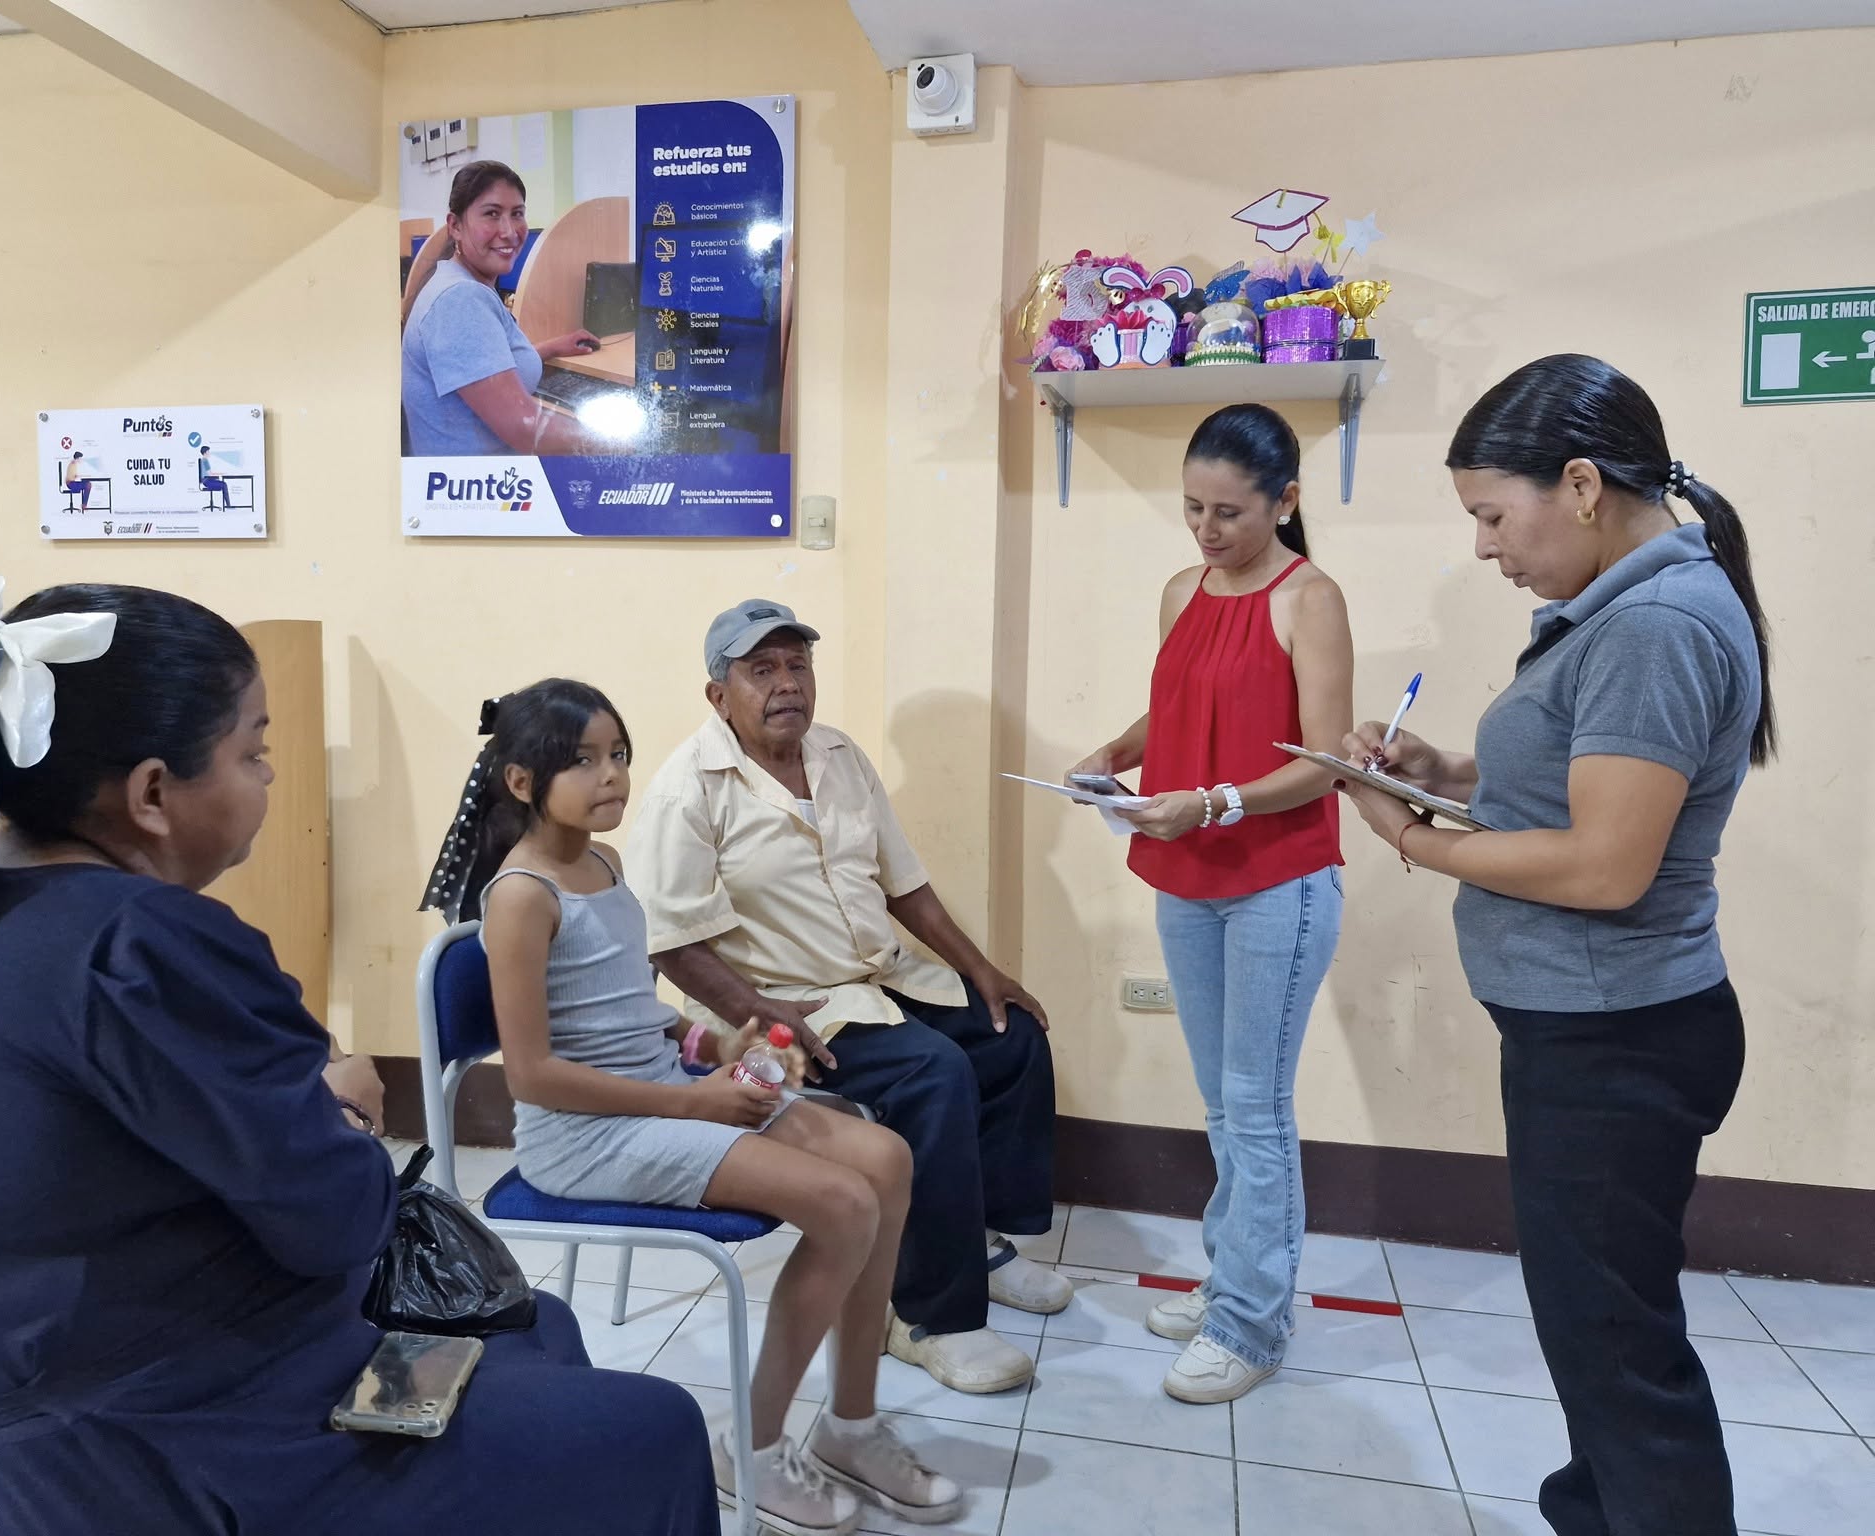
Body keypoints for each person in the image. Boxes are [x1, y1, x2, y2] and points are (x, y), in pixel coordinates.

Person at [0, 578, 719, 1536]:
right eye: (254, 752)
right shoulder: (136, 944)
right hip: (171, 1451)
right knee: (654, 1427)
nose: (269, 779)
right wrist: (346, 1105)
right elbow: (340, 1222)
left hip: (13, 1455)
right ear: (154, 793)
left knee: (540, 1327)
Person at [1339, 355, 1772, 1536]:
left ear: (1579, 486)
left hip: (1613, 1039)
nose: (1483, 548)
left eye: (1491, 515)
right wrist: (1441, 771)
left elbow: (1602, 863)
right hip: (1595, 1029)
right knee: (1594, 1332)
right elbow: (1587, 777)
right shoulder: (1636, 611)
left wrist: (1413, 839)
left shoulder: (1653, 625)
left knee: (1617, 1349)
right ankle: (1594, 1511)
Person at [424, 681, 964, 1535]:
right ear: (522, 782)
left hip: (663, 1093)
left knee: (886, 1158)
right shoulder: (522, 896)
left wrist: (712, 1044)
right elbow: (532, 1076)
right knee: (843, 1202)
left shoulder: (604, 864)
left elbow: (628, 1011)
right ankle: (751, 1446)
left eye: (618, 755)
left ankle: (850, 1426)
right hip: (584, 1138)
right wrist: (694, 1106)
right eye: (584, 761)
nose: (612, 776)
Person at [627, 600, 1069, 1397]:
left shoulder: (839, 755)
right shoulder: (686, 791)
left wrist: (982, 971)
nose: (786, 684)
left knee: (1011, 1036)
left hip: (876, 980)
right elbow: (674, 944)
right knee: (933, 1074)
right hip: (775, 1015)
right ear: (719, 695)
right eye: (762, 670)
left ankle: (976, 1241)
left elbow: (905, 884)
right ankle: (927, 1316)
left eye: (797, 665)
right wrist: (761, 1013)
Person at [1071, 404, 1353, 1404]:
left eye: (1228, 512)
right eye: (1192, 508)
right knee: (1222, 1104)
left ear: (1284, 500)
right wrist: (1114, 753)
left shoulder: (1308, 597)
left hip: (1278, 881)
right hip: (1187, 877)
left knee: (1255, 1107)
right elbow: (1181, 704)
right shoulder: (1182, 590)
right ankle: (1233, 1278)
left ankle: (1251, 1324)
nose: (1205, 529)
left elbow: (1323, 763)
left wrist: (1214, 801)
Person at [399, 159, 606, 456]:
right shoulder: (460, 300)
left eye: (517, 213)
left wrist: (550, 348)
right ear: (455, 226)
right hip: (480, 482)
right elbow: (526, 429)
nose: (509, 231)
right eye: (492, 214)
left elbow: (478, 365)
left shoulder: (452, 282)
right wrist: (620, 441)